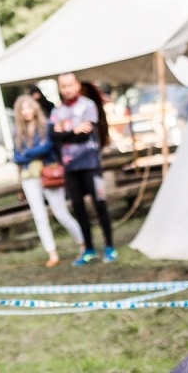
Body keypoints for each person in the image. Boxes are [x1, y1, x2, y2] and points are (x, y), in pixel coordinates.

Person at [11, 94, 85, 267]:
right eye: (23, 109)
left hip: (48, 173)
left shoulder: (46, 126)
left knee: (61, 213)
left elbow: (46, 147)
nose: (27, 112)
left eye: (29, 107)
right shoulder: (18, 132)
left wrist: (27, 154)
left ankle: (83, 243)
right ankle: (51, 252)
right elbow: (15, 156)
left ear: (35, 109)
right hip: (29, 177)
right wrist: (28, 155)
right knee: (39, 216)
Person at [51, 72, 116, 265]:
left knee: (100, 205)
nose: (67, 89)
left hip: (90, 165)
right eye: (63, 86)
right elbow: (53, 137)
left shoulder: (88, 106)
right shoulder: (57, 112)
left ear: (78, 85)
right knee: (79, 209)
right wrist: (72, 131)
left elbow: (84, 136)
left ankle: (109, 247)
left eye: (70, 85)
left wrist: (65, 134)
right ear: (60, 88)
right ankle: (88, 249)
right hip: (70, 168)